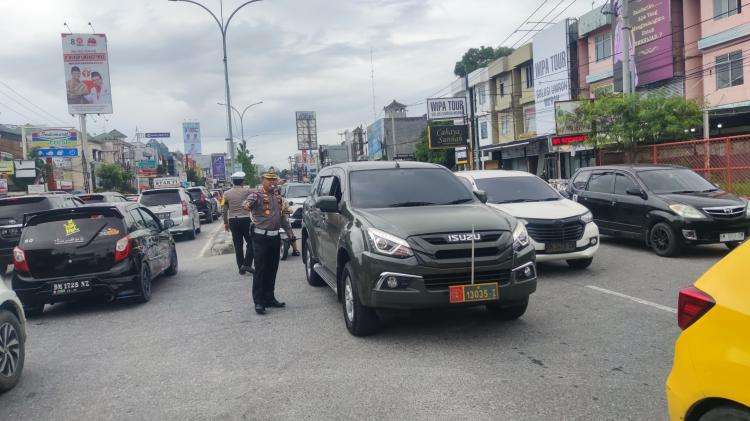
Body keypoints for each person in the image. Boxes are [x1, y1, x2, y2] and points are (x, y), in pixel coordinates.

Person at [243, 167, 296, 315]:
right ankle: (259, 302)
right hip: (260, 238)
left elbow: (283, 220)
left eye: (274, 179)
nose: (272, 182)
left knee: (272, 269)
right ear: (263, 180)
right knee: (260, 270)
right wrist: (247, 205)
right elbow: (246, 204)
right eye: (269, 179)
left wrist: (290, 234)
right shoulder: (256, 196)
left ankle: (269, 298)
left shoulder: (279, 199)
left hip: (275, 237)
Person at [223, 171, 254, 275]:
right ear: (242, 181)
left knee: (238, 245)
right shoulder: (247, 191)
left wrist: (225, 223)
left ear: (233, 181)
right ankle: (247, 264)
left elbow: (224, 209)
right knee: (251, 242)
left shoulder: (226, 194)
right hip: (245, 219)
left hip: (232, 221)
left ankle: (241, 269)